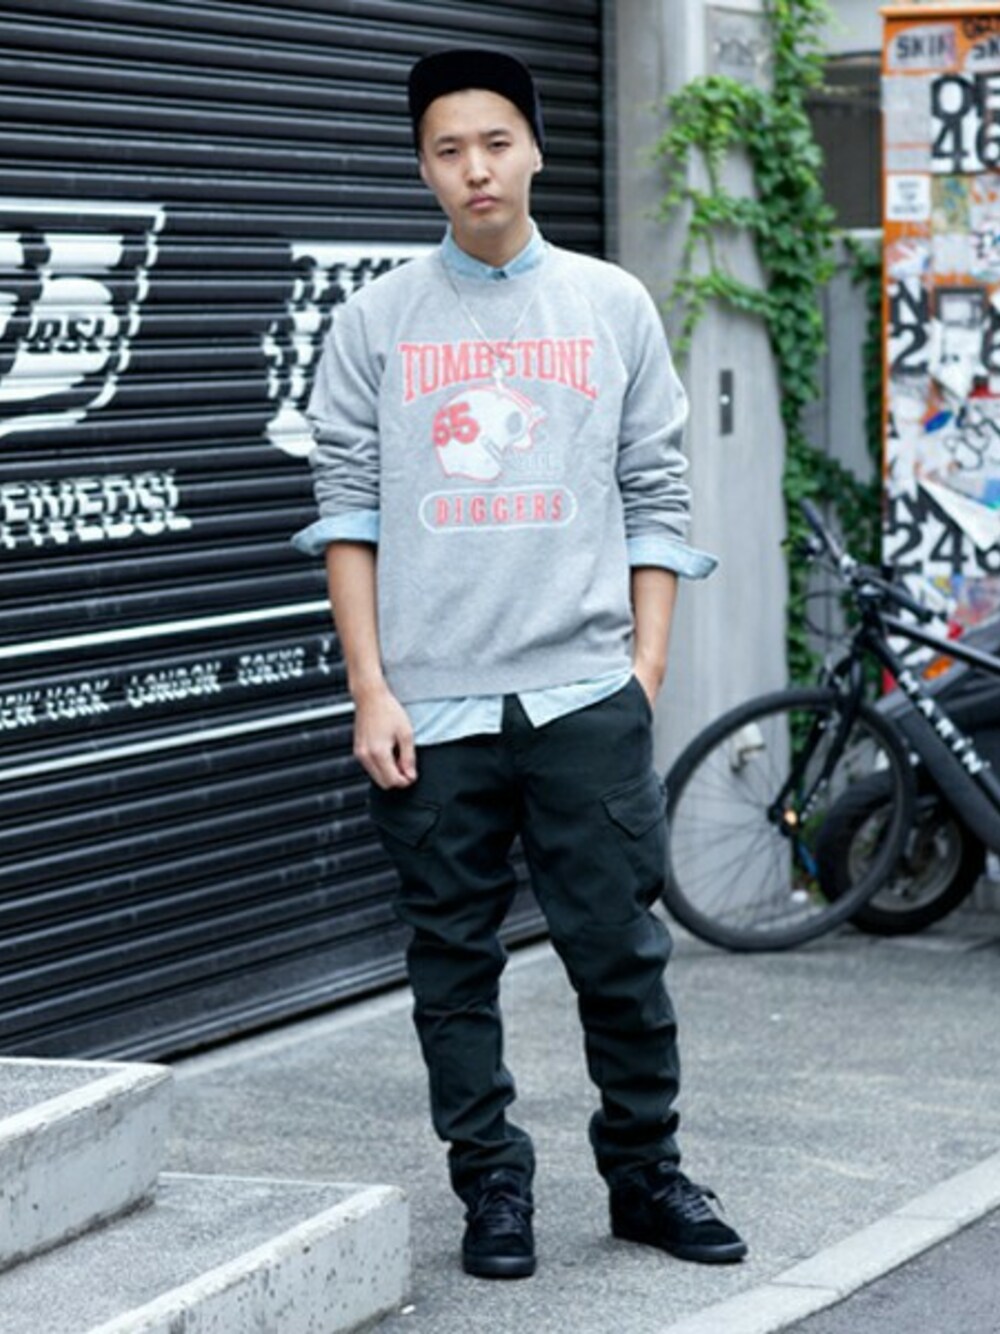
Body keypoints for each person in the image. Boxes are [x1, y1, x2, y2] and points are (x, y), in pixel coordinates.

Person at [293, 46, 747, 1280]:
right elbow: (347, 512)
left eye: (495, 142)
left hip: (583, 692)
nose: (475, 168)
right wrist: (370, 687)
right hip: (430, 703)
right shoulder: (375, 320)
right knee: (452, 961)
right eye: (447, 149)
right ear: (422, 169)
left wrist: (643, 668)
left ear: (535, 150)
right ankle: (492, 1185)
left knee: (620, 953)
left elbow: (655, 490)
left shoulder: (609, 304)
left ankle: (645, 1173)